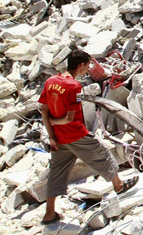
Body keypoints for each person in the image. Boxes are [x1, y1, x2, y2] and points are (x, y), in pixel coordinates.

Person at [39, 50, 137, 225]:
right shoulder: (73, 86)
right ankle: (119, 186)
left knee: (57, 172)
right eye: (87, 65)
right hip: (76, 134)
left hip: (59, 139)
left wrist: (52, 135)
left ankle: (49, 213)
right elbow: (69, 117)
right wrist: (56, 121)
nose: (88, 69)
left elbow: (44, 110)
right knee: (103, 154)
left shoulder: (51, 82)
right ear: (81, 65)